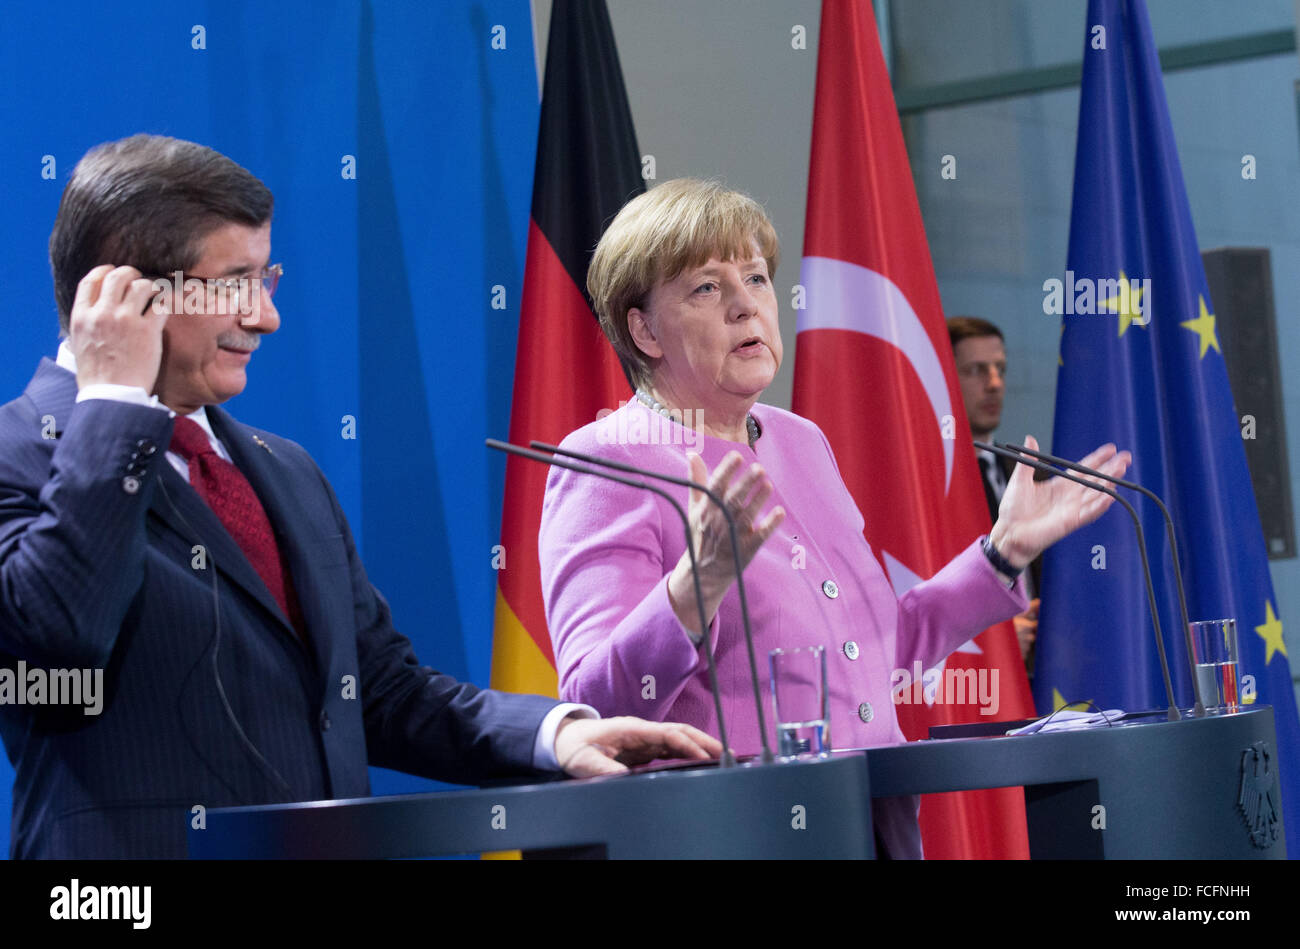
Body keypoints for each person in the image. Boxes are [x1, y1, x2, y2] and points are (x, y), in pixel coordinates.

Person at [0, 135, 719, 859]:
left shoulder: (286, 470)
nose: (264, 317)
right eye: (234, 282)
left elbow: (379, 690)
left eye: (266, 279)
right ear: (122, 295)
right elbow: (61, 635)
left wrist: (554, 733)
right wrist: (115, 406)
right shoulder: (18, 451)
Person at [538, 179, 1129, 859]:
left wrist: (1000, 553)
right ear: (643, 329)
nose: (744, 304)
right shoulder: (607, 462)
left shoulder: (800, 440)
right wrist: (696, 585)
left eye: (756, 277)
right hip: (729, 836)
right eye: (705, 287)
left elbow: (875, 649)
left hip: (866, 822)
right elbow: (596, 696)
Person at [947, 316, 1041, 672]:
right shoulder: (935, 489)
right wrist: (995, 640)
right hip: (973, 681)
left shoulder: (1027, 472)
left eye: (1000, 368)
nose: (995, 384)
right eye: (976, 370)